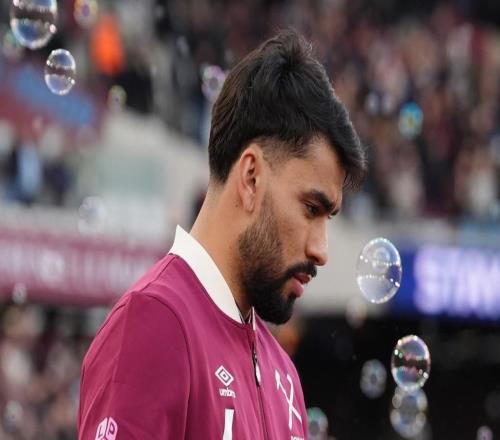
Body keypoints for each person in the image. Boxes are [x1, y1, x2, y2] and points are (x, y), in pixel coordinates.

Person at [78, 29, 367, 439]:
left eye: (329, 218)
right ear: (251, 177)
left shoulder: (284, 375)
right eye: (310, 209)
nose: (321, 250)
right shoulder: (155, 323)